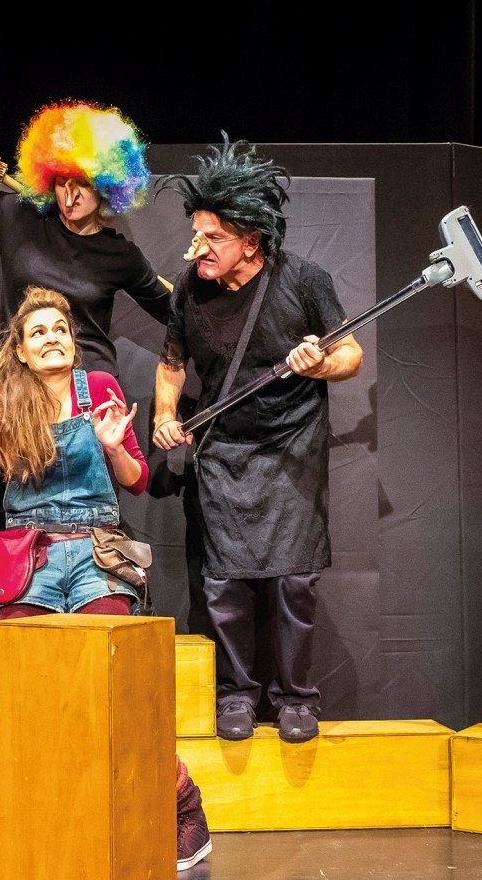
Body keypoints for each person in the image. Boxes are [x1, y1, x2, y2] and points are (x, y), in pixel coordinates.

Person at [0, 287, 212, 870]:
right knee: (20, 695)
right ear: (21, 351)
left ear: (73, 342)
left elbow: (136, 479)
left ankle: (183, 810)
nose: (52, 338)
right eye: (38, 332)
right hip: (33, 561)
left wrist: (112, 447)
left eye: (60, 330)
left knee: (121, 688)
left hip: (98, 554)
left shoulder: (100, 388)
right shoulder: (1, 403)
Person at [152, 141, 363, 745]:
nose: (197, 248)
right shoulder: (190, 289)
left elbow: (350, 353)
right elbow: (171, 364)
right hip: (223, 451)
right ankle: (237, 694)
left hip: (292, 448)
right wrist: (164, 414)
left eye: (212, 237)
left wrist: (319, 364)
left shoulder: (303, 280)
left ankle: (296, 697)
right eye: (196, 233)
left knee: (294, 581)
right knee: (224, 584)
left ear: (250, 241)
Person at [0, 103, 172, 374]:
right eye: (62, 181)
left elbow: (174, 311)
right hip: (18, 375)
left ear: (107, 186)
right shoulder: (19, 216)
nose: (70, 195)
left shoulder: (120, 256)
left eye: (83, 182)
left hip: (85, 379)